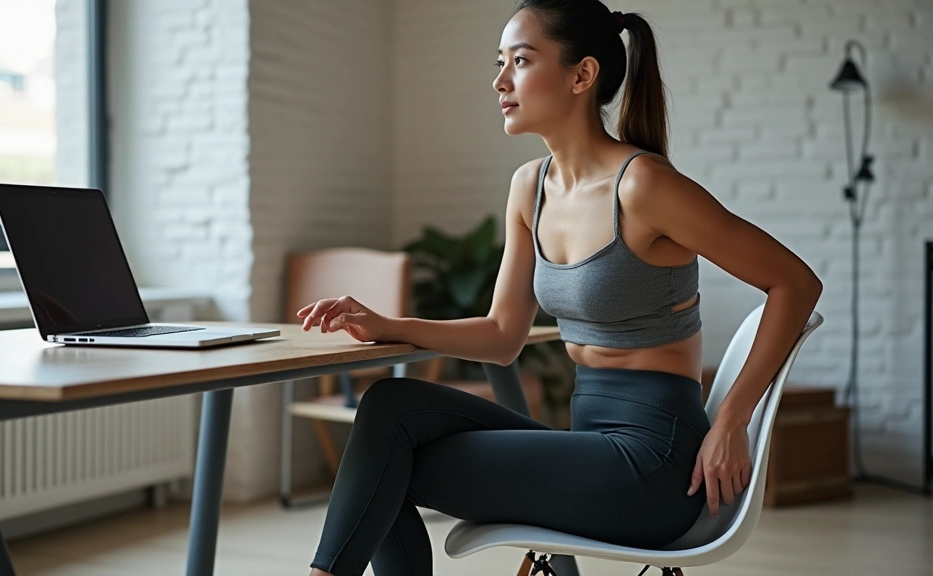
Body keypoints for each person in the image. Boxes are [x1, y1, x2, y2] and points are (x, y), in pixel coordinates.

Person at [300, 2, 822, 575]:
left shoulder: (643, 186)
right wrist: (388, 325)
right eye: (500, 62)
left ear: (582, 75)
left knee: (383, 467)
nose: (500, 80)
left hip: (653, 462)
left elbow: (794, 283)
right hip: (589, 440)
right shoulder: (530, 188)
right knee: (389, 407)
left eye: (520, 61)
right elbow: (503, 335)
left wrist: (731, 420)